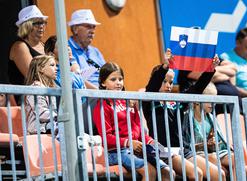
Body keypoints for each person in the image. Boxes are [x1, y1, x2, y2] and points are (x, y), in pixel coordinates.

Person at [143, 49, 225, 180]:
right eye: (164, 81)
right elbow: (152, 86)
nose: (168, 85)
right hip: (163, 150)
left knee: (218, 174)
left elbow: (197, 89)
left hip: (182, 149)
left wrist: (211, 68)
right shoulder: (149, 101)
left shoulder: (177, 102)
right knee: (196, 174)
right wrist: (165, 66)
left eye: (170, 82)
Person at [93, 62, 179, 180]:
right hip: (116, 151)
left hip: (137, 149)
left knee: (168, 172)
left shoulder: (129, 102)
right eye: (113, 79)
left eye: (120, 79)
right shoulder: (102, 106)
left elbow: (139, 132)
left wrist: (150, 141)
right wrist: (128, 143)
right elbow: (106, 137)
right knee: (149, 172)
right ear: (103, 83)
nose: (118, 83)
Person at [183, 82, 236, 180]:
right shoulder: (186, 117)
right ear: (197, 101)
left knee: (235, 158)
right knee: (213, 158)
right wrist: (205, 144)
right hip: (195, 154)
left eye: (215, 99)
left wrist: (217, 143)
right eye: (209, 99)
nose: (213, 103)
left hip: (213, 152)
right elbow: (185, 146)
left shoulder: (212, 118)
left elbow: (220, 143)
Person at [9, 5, 48, 104]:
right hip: (30, 104)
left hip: (48, 98)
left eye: (43, 22)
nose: (41, 26)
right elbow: (34, 75)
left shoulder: (46, 46)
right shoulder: (19, 46)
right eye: (37, 23)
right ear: (26, 26)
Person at [68, 9, 106, 89]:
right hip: (83, 97)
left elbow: (108, 74)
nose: (92, 31)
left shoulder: (95, 52)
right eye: (88, 26)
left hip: (102, 95)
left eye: (94, 27)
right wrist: (99, 92)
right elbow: (74, 78)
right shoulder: (66, 49)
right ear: (75, 29)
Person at [24, 55, 58, 135]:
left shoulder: (48, 88)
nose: (56, 69)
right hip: (39, 131)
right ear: (40, 69)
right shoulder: (35, 88)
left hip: (49, 126)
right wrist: (59, 117)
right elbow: (42, 113)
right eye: (52, 65)